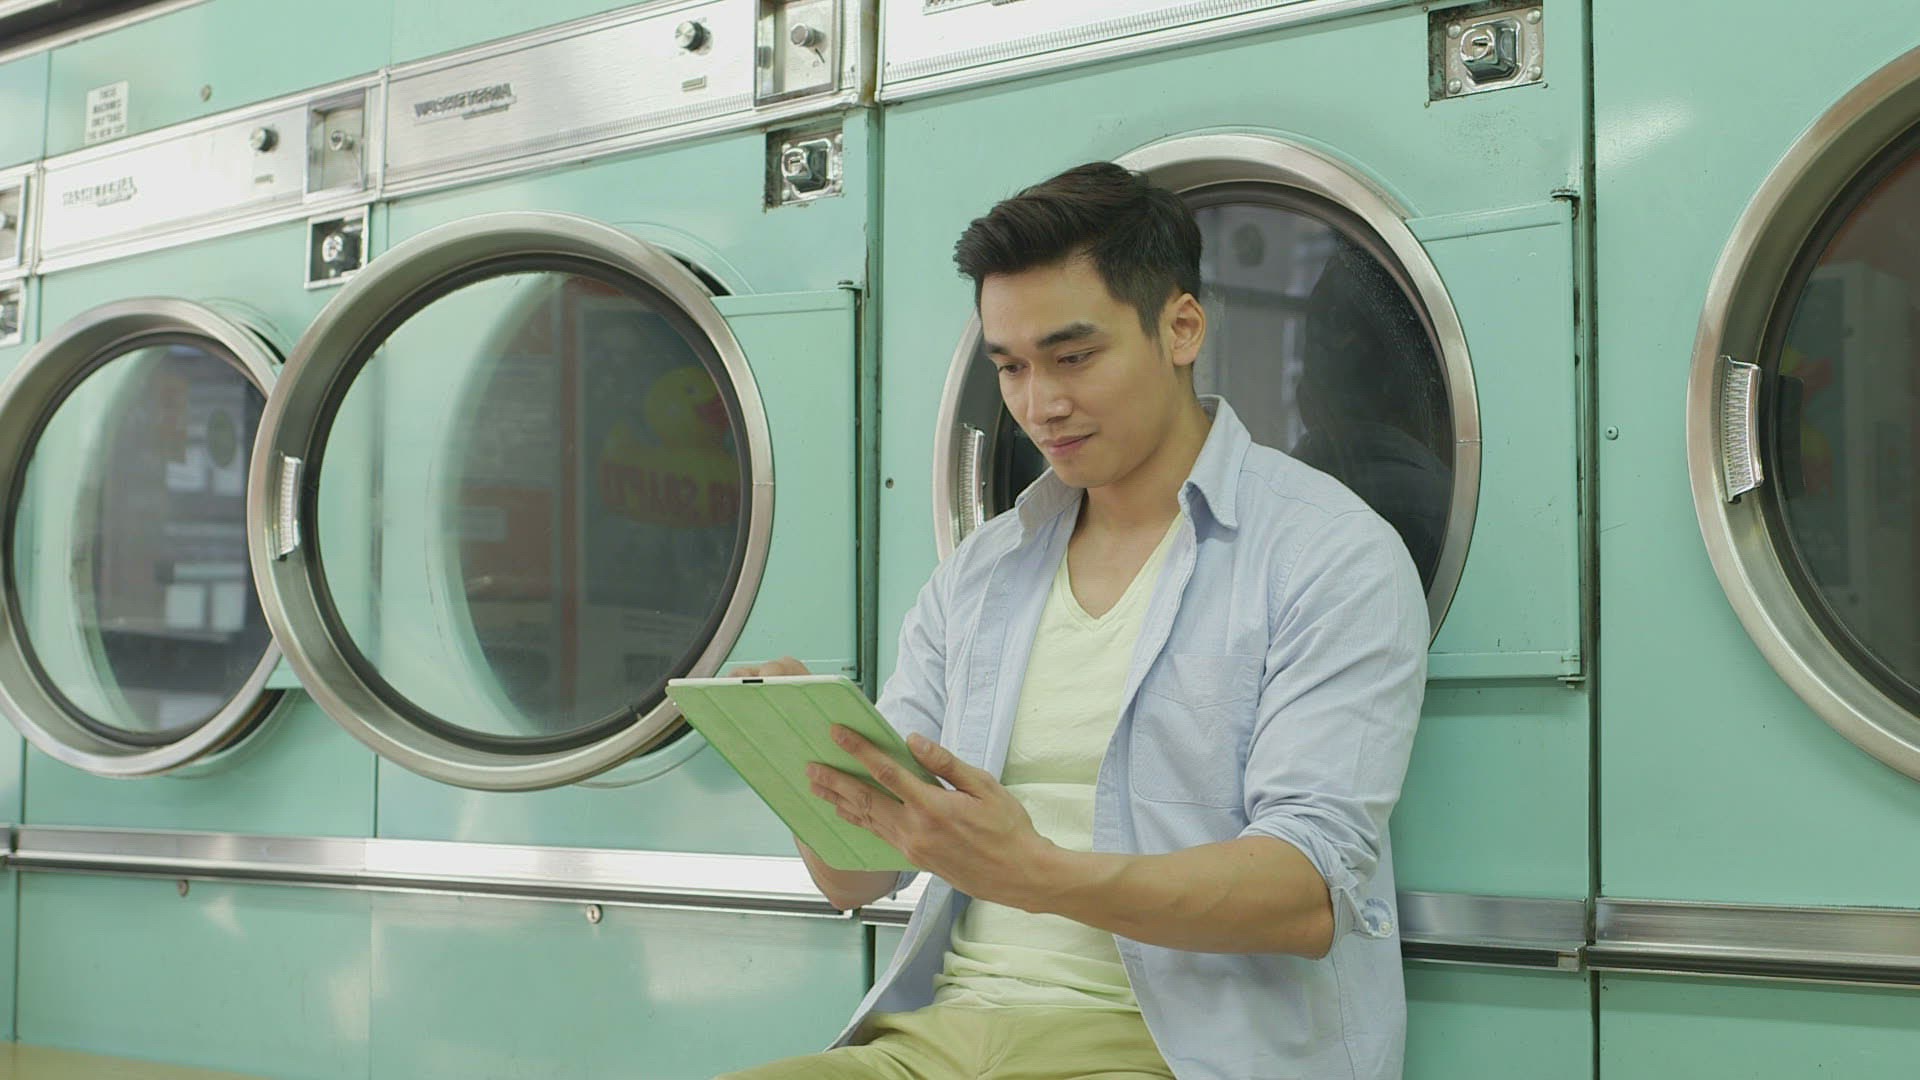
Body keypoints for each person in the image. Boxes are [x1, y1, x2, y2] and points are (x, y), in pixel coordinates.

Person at [718, 162, 1428, 1080]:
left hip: (1173, 1051)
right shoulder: (982, 573)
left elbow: (1306, 894)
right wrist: (797, 764)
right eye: (1010, 367)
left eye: (1073, 357)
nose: (1039, 404)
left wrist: (1036, 874)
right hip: (936, 1038)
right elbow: (859, 878)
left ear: (1181, 328)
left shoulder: (1326, 554)